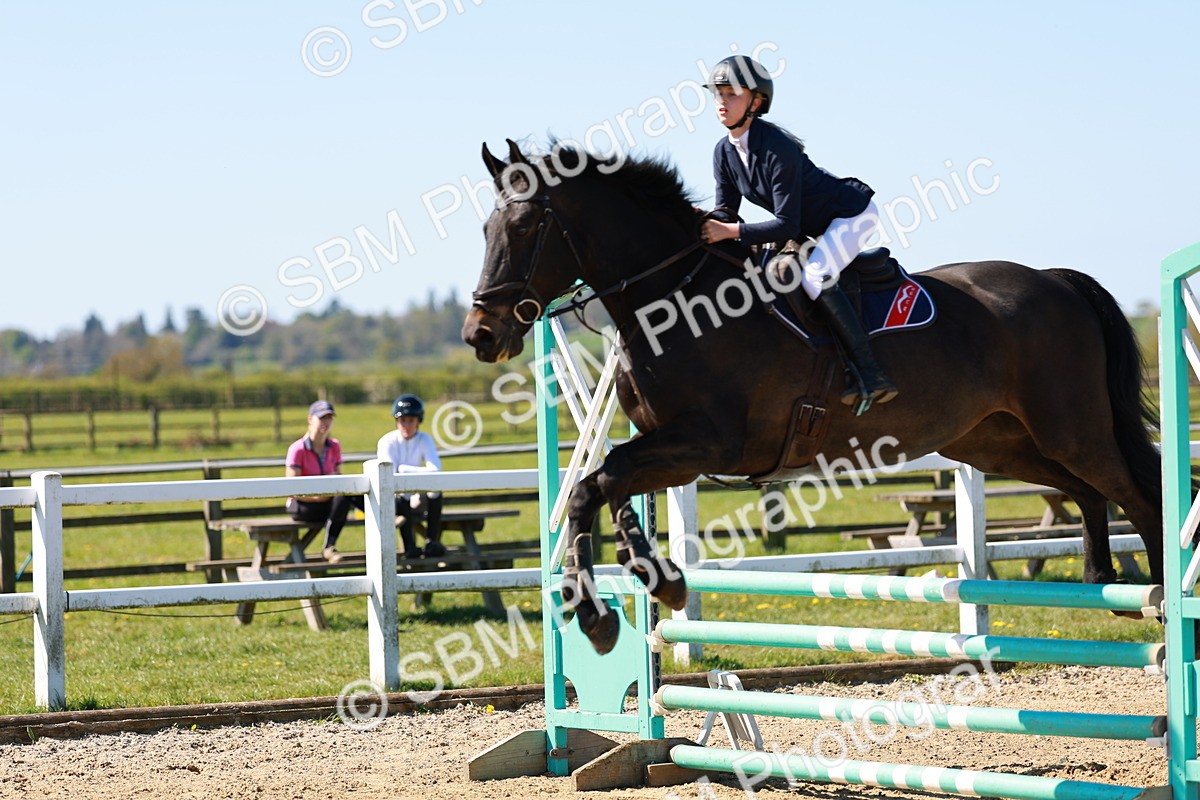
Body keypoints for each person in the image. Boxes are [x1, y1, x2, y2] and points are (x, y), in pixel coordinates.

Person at [699, 55, 898, 408]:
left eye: (731, 94)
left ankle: (870, 371)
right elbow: (727, 212)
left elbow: (785, 225)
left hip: (850, 214)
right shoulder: (723, 152)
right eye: (718, 94)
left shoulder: (778, 147)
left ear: (755, 102)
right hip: (810, 225)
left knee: (816, 274)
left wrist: (728, 230)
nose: (721, 103)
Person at [285, 400, 363, 562]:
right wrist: (318, 497)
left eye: (329, 418)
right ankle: (383, 513)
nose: (326, 422)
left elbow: (341, 483)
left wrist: (329, 495)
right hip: (303, 505)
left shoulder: (334, 446)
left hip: (327, 503)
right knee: (344, 493)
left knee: (344, 492)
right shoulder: (297, 449)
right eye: (322, 418)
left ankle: (329, 546)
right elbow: (292, 488)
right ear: (310, 419)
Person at [377, 393, 445, 559]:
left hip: (417, 495)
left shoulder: (425, 439)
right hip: (393, 500)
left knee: (435, 490)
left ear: (418, 421)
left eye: (411, 420)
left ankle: (431, 541)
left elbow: (436, 470)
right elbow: (389, 476)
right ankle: (409, 545)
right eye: (402, 420)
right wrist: (407, 473)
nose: (406, 425)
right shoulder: (387, 441)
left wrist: (405, 470)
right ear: (397, 421)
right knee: (402, 494)